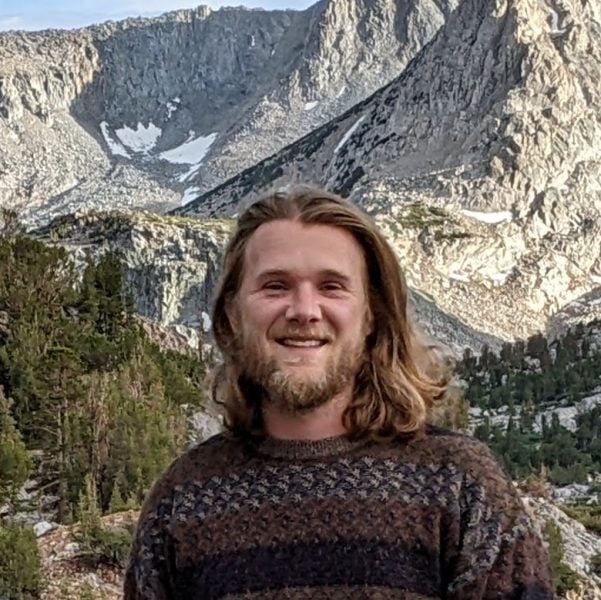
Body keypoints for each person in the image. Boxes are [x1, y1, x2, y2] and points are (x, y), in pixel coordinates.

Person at [124, 186, 553, 599]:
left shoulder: (459, 483)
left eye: (331, 286)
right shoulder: (184, 499)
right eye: (275, 285)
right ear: (233, 313)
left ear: (371, 315)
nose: (304, 311)